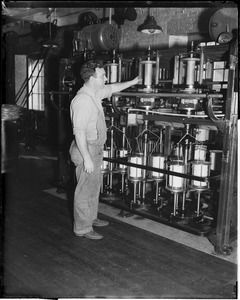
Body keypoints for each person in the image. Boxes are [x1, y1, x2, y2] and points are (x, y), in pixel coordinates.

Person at [69, 59, 140, 240]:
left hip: (95, 148)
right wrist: (87, 158)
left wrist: (132, 82)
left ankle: (91, 218)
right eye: (102, 75)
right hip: (86, 149)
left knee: (93, 187)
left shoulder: (94, 93)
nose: (106, 78)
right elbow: (79, 132)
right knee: (84, 190)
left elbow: (112, 87)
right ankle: (83, 229)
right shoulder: (82, 100)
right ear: (92, 78)